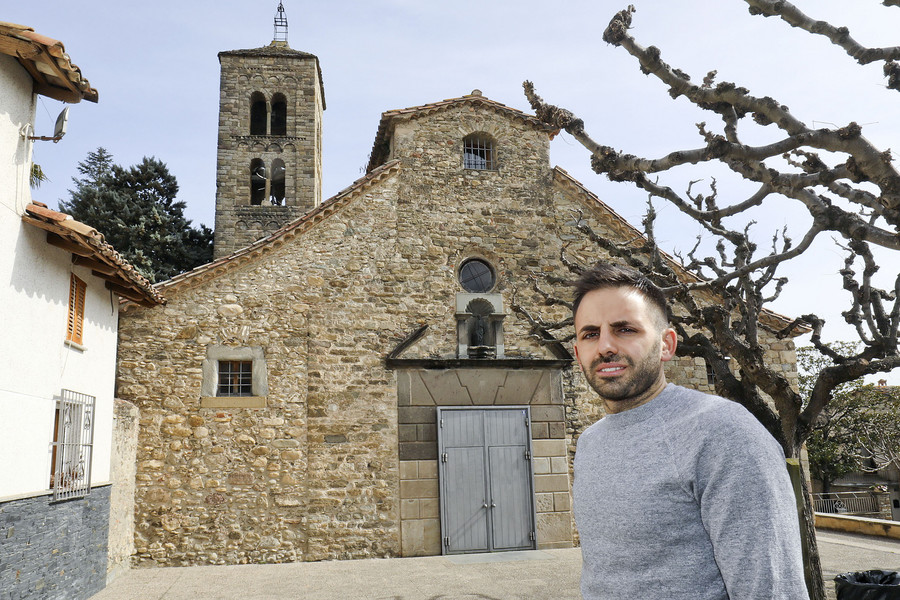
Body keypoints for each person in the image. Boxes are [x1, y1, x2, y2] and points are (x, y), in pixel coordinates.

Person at [571, 261, 808, 600]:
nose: (605, 345)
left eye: (625, 329)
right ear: (579, 353)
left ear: (667, 344)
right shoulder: (590, 443)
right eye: (591, 333)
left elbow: (771, 590)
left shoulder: (723, 432)